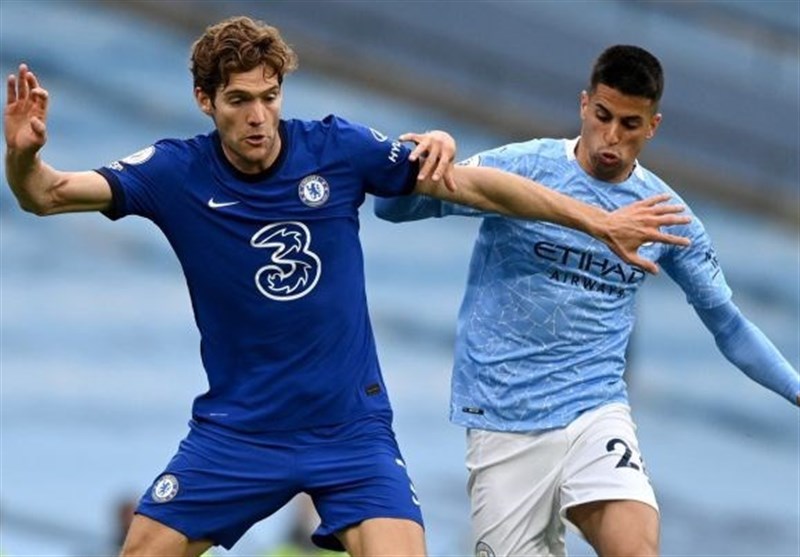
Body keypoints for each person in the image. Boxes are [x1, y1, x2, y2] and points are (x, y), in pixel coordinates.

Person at [4, 16, 691, 555]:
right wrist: (23, 158)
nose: (258, 117)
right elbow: (47, 194)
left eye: (269, 98)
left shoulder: (334, 148)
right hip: (239, 431)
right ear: (205, 100)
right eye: (239, 101)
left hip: (350, 433)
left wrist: (597, 220)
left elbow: (475, 186)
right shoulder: (173, 172)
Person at [375, 44, 800, 557]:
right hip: (503, 414)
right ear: (584, 105)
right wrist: (426, 154)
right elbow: (392, 210)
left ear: (653, 126)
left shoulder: (666, 217)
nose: (612, 136)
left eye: (630, 124)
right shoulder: (523, 168)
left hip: (593, 407)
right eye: (602, 116)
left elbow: (728, 325)